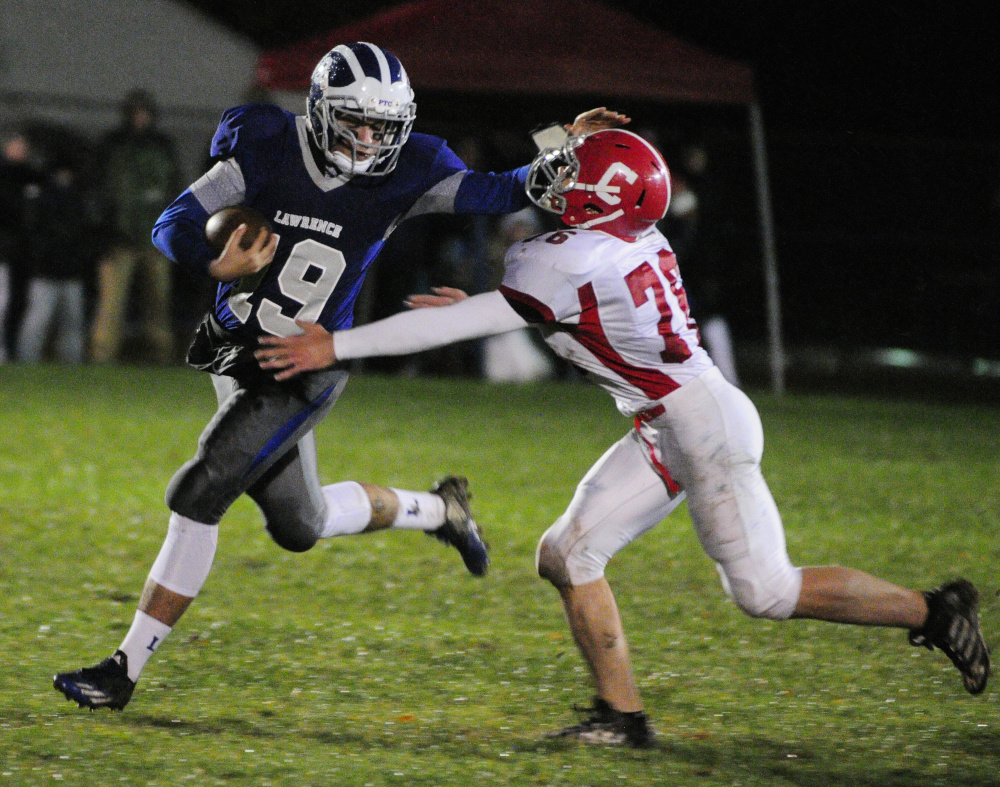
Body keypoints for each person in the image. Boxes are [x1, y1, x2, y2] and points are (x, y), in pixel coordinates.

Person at [254, 128, 990, 747]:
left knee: (766, 591)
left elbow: (464, 322)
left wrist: (337, 346)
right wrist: (505, 299)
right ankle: (623, 716)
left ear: (607, 194)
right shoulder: (629, 234)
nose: (560, 177)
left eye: (578, 172)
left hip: (699, 430)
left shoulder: (561, 257)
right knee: (567, 553)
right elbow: (579, 310)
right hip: (672, 420)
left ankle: (934, 608)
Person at [52, 41, 626, 711]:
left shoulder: (411, 169)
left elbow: (504, 188)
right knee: (303, 522)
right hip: (238, 354)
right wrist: (209, 258)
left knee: (202, 487)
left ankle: (122, 669)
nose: (367, 139)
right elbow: (171, 221)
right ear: (321, 110)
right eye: (354, 121)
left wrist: (568, 148)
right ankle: (441, 508)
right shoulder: (266, 143)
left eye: (382, 126)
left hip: (306, 366)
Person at [89, 89, 181, 365]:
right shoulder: (111, 145)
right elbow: (98, 192)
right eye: (136, 112)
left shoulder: (163, 146)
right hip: (120, 240)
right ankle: (102, 358)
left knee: (159, 306)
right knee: (111, 307)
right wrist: (105, 233)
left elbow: (175, 191)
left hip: (156, 239)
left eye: (145, 112)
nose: (140, 117)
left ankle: (162, 358)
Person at [15, 158, 96, 363]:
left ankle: (71, 363)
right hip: (45, 272)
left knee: (72, 323)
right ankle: (27, 361)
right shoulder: (41, 198)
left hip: (70, 272)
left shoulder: (78, 199)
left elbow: (84, 235)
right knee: (38, 321)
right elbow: (32, 234)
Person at [0, 130, 44, 363]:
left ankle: (12, 349)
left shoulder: (33, 177)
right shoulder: (5, 176)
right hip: (4, 250)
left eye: (23, 147)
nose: (20, 151)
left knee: (19, 302)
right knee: (2, 301)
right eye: (16, 146)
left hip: (22, 252)